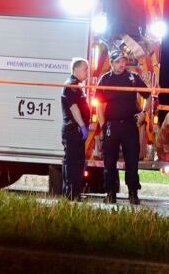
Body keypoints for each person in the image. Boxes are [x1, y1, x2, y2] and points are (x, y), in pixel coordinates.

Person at [96, 49, 150, 205]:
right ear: (112, 63)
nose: (122, 64)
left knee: (132, 162)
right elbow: (98, 103)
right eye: (119, 61)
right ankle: (110, 193)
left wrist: (143, 113)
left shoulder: (133, 78)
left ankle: (133, 193)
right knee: (109, 162)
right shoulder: (105, 79)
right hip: (111, 125)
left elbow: (148, 96)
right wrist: (103, 124)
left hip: (129, 124)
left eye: (124, 61)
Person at [60, 58, 91, 201]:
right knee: (72, 163)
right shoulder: (71, 85)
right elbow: (74, 107)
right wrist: (82, 126)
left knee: (78, 163)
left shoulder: (77, 85)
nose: (87, 72)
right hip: (73, 130)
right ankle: (71, 194)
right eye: (85, 69)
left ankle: (76, 193)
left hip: (76, 131)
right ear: (76, 69)